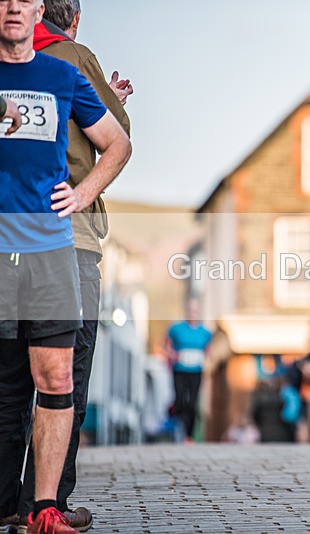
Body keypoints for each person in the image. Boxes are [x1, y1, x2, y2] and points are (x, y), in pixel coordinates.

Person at [0, 0, 131, 531]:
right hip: (66, 241)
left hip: (36, 239)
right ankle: (46, 502)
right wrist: (82, 193)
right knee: (62, 379)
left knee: (13, 377)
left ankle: (16, 500)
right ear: (71, 18)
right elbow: (118, 136)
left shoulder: (57, 71)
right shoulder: (77, 56)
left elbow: (112, 138)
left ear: (37, 12)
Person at [165, 299, 212, 442]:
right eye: (190, 310)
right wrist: (172, 354)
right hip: (179, 369)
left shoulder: (205, 332)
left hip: (196, 371)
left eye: (195, 311)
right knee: (179, 400)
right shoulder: (176, 329)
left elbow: (209, 351)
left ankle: (189, 436)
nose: (193, 313)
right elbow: (166, 345)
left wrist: (208, 362)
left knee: (192, 403)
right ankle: (176, 424)